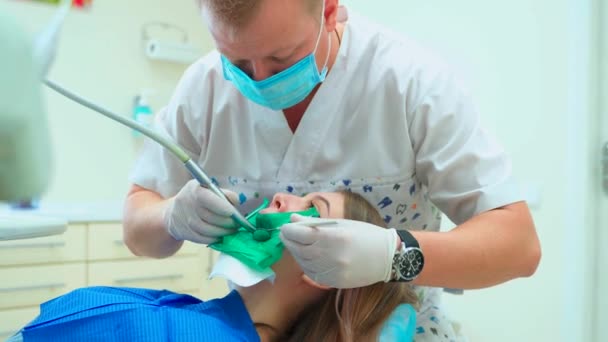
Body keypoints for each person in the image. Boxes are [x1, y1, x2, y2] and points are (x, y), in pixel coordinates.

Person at [123, 0, 541, 339]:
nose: (260, 81)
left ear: (329, 9)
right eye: (237, 62)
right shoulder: (203, 90)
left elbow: (518, 246)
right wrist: (171, 216)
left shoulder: (409, 81)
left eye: (280, 58)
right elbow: (137, 226)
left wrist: (392, 256)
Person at [12, 192, 417, 342]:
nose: (279, 197)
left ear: (331, 269)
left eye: (313, 208)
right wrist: (168, 214)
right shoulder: (195, 317)